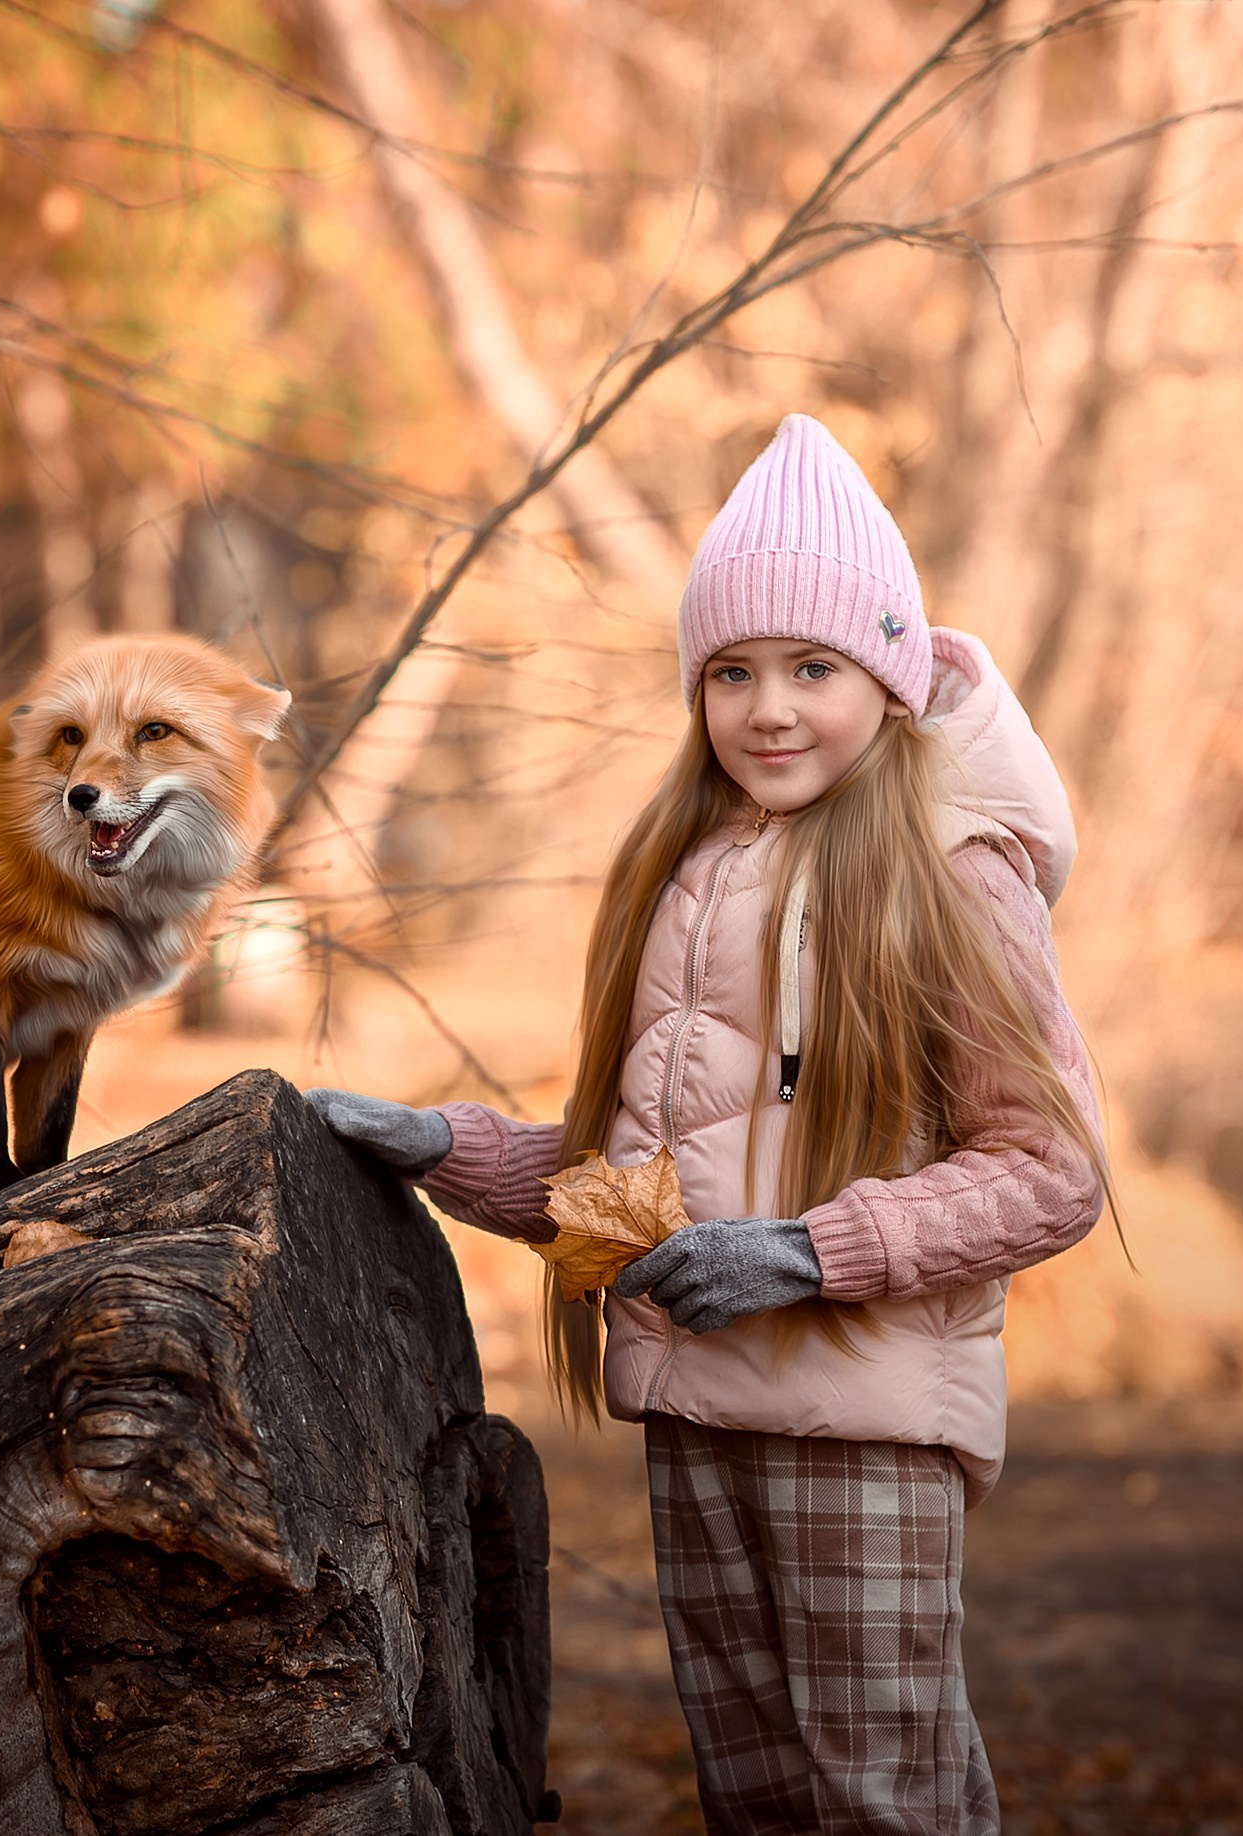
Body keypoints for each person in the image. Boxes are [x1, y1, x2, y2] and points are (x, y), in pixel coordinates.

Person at [307, 413, 1107, 1835]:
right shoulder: (687, 870)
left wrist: (803, 1254)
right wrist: (451, 1152)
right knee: (760, 1804)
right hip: (696, 1414)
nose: (769, 707)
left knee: (882, 1806)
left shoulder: (947, 870)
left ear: (890, 668)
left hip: (861, 1426)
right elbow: (641, 1187)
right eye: (730, 672)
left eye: (812, 666)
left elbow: (1049, 1173)